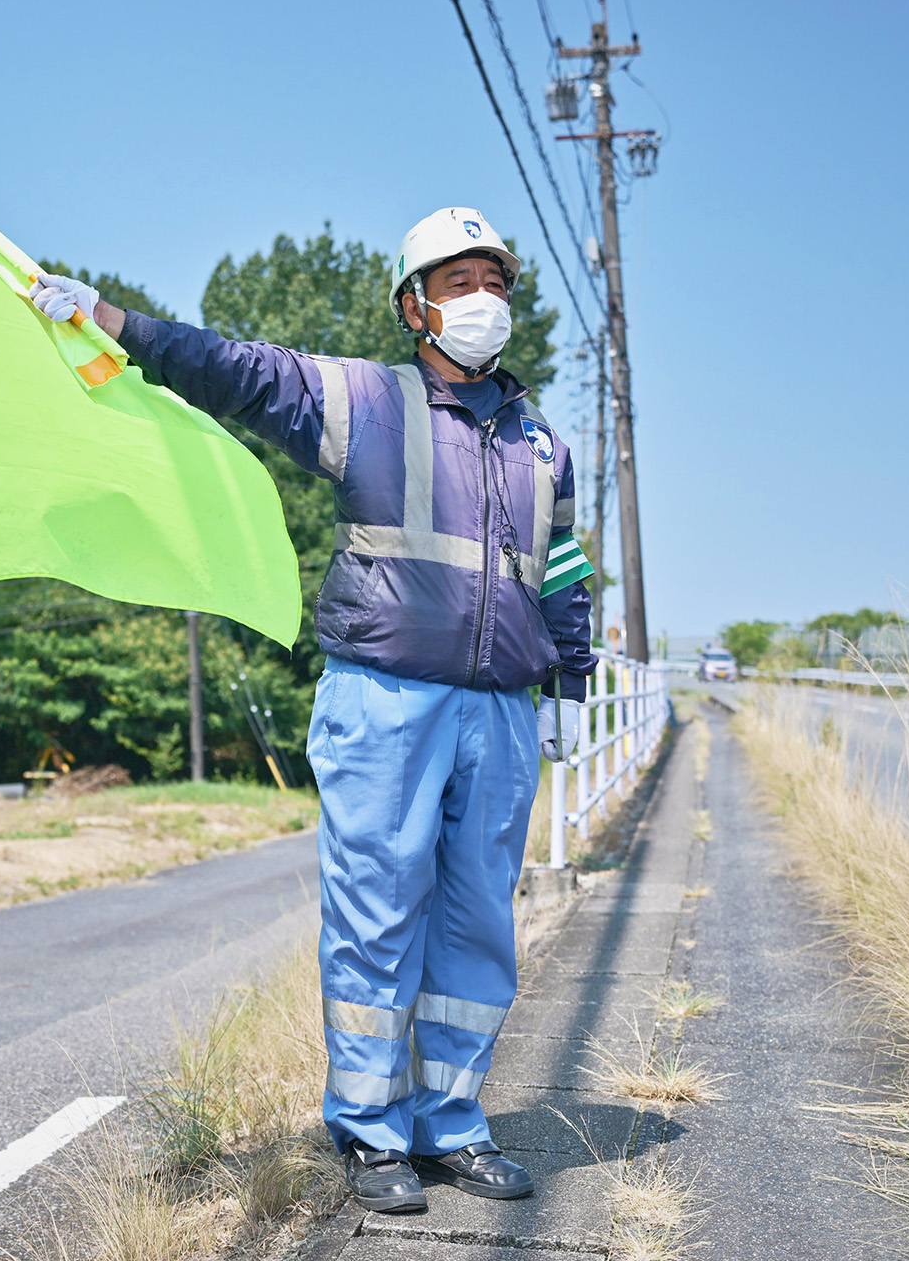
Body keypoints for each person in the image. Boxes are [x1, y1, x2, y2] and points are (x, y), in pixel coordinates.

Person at [29, 208, 596, 1214]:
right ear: (414, 304)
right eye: (459, 283)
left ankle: (453, 1125)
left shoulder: (541, 439)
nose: (482, 301)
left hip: (502, 712)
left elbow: (560, 571)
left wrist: (572, 680)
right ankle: (371, 1133)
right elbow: (237, 368)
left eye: (495, 282)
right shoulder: (365, 400)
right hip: (387, 697)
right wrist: (115, 320)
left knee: (476, 928)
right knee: (378, 917)